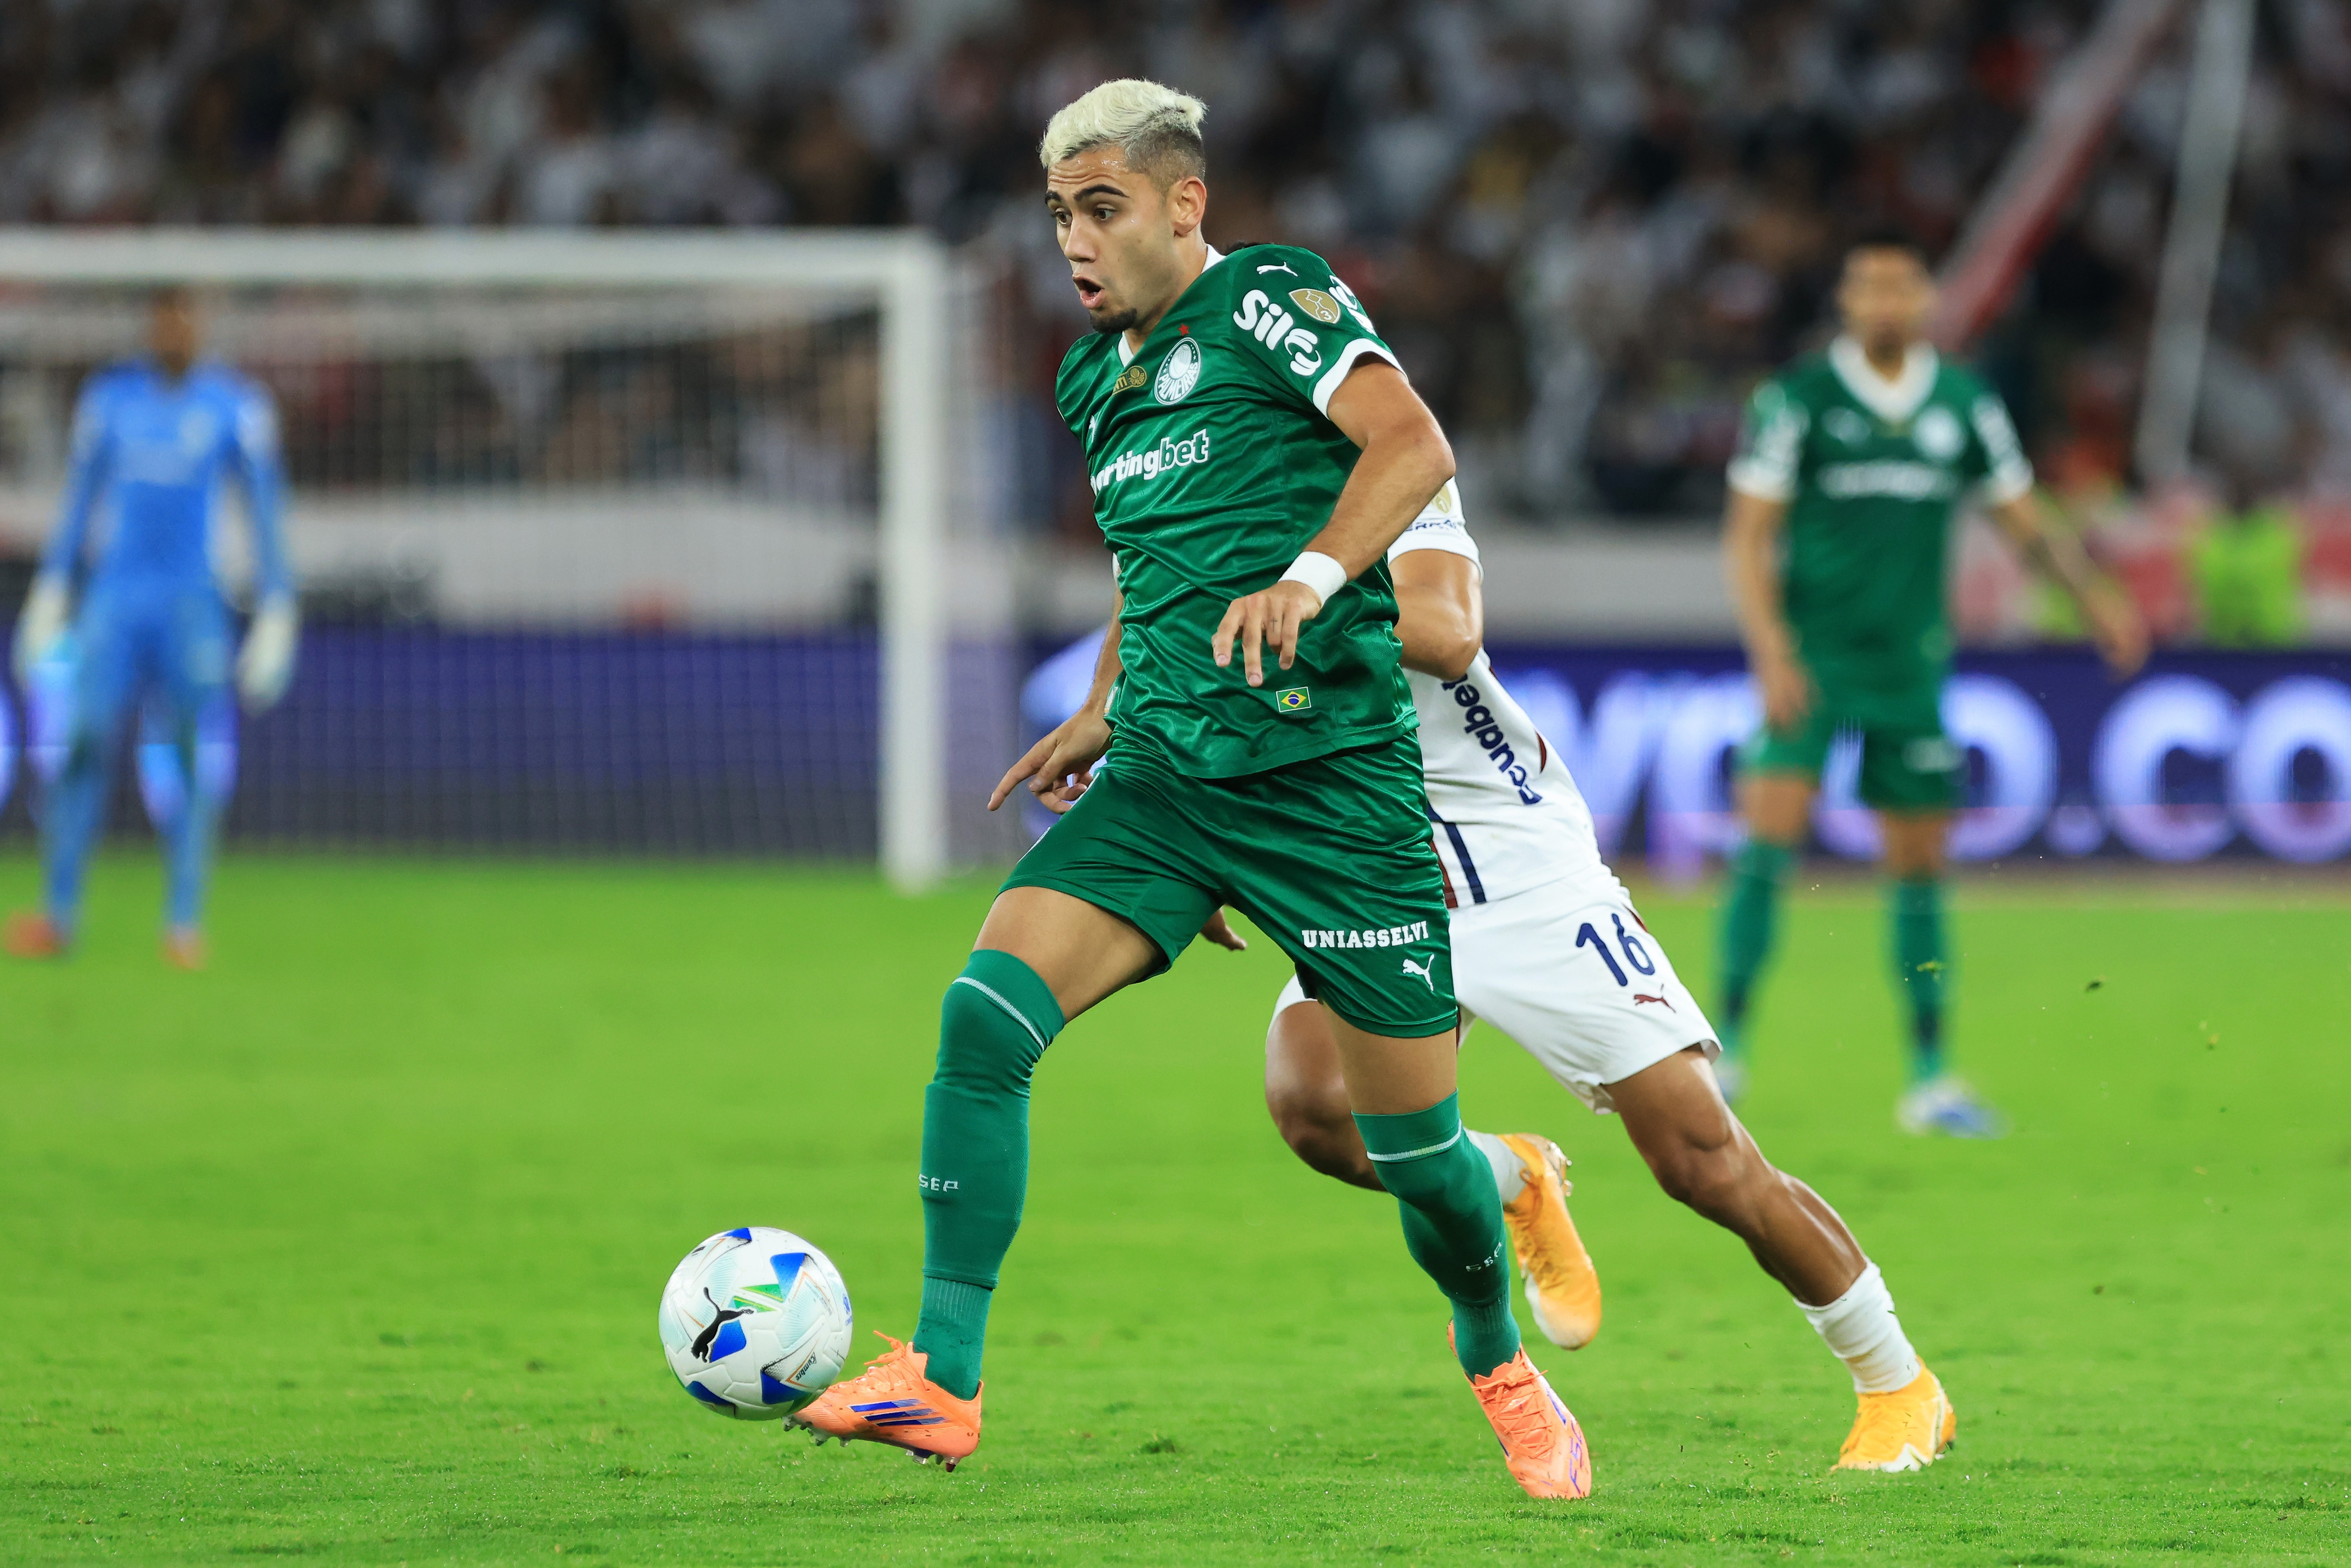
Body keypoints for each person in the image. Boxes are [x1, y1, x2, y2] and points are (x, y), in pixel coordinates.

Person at [792, 80, 1589, 1499]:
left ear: (1182, 204)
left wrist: (1308, 575)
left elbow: (1415, 446)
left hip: (1333, 795)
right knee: (983, 1015)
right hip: (1166, 780)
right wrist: (1102, 705)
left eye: (1099, 210)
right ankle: (941, 1376)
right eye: (1058, 218)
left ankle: (1497, 1355)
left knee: (1415, 1159)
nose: (1075, 244)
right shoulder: (1089, 379)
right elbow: (1146, 565)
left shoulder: (1274, 300)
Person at [1250, 485, 1963, 1474]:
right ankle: (1514, 1175)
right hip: (1374, 873)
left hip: (1517, 867)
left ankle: (1899, 1384)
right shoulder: (1203, 491)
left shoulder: (1389, 460)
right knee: (1316, 1108)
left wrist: (1279, 595)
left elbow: (1449, 630)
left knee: (1699, 1155)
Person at [1715, 230, 2147, 1134]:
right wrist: (1769, 650)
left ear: (1925, 304)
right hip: (1814, 660)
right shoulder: (1798, 399)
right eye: (1868, 288)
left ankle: (1930, 1074)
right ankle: (1725, 1054)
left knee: (1919, 871)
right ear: (1846, 303)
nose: (1884, 304)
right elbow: (1750, 533)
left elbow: (2024, 522)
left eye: (1900, 289)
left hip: (1910, 670)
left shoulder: (1962, 403)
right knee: (1767, 845)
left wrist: (2096, 598)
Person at [7, 287, 298, 970]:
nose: (176, 330)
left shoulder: (234, 405)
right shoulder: (110, 401)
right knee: (81, 741)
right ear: (152, 326)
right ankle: (59, 912)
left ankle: (184, 921)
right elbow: (80, 501)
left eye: (187, 319)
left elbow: (264, 511)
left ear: (202, 327)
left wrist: (279, 605)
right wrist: (53, 587)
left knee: (192, 757)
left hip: (192, 603)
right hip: (116, 599)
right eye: (166, 318)